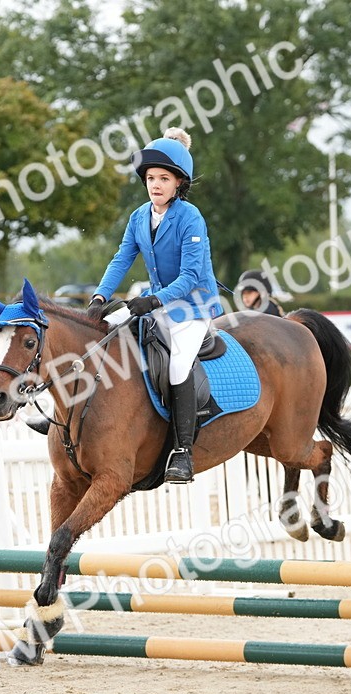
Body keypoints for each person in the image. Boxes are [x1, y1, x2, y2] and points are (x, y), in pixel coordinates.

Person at [90, 127, 221, 483]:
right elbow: (121, 259)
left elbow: (192, 276)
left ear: (179, 183)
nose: (156, 184)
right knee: (111, 335)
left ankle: (182, 453)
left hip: (193, 306)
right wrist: (101, 295)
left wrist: (151, 300)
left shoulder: (190, 217)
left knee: (178, 363)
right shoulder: (138, 218)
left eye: (164, 178)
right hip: (158, 304)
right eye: (150, 178)